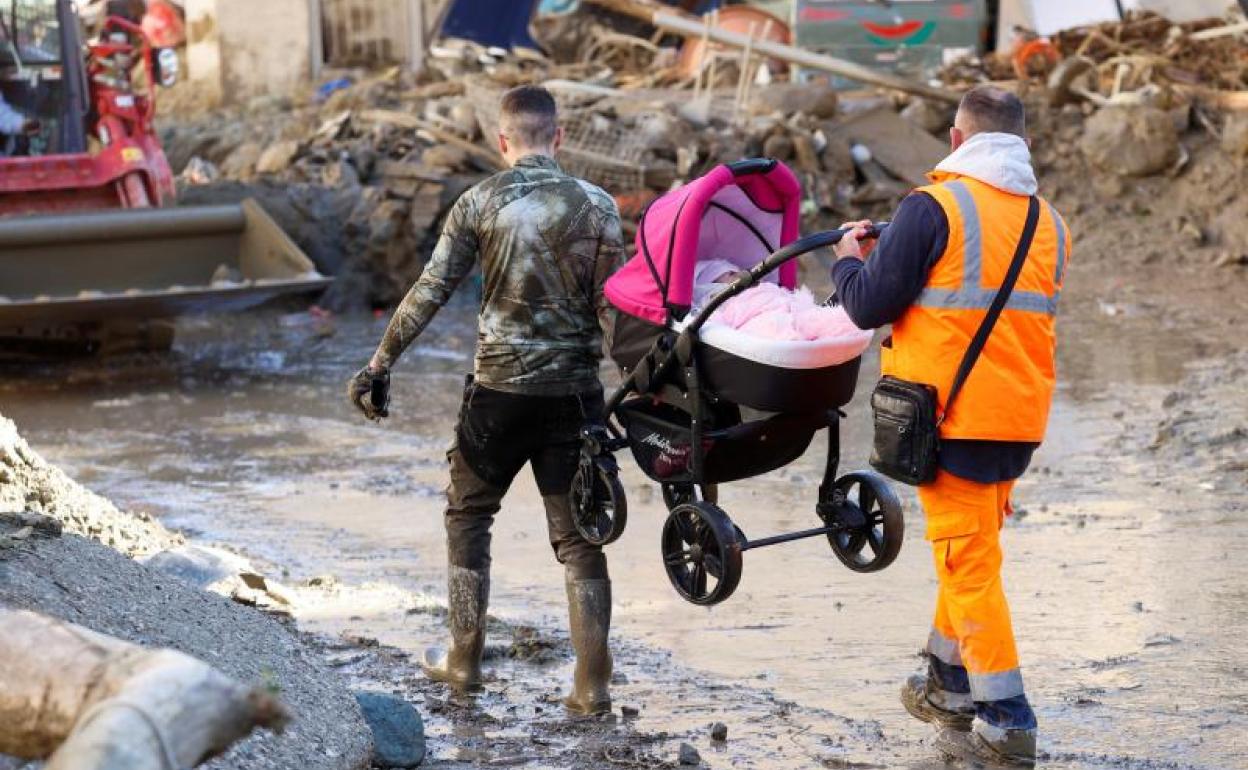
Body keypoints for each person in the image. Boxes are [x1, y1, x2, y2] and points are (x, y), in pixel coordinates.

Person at [348, 85, 626, 715]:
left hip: (497, 397)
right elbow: (617, 313)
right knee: (581, 537)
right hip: (574, 397)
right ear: (559, 136)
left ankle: (465, 662)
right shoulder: (600, 206)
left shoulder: (478, 202)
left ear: (502, 141)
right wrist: (641, 388)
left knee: (469, 518)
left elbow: (430, 290)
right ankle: (592, 684)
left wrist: (379, 362)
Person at [831, 85, 1071, 767]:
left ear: (958, 141)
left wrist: (851, 258)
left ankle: (1007, 716)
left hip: (949, 417)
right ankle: (947, 683)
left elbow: (867, 305)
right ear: (1019, 145)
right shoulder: (1049, 220)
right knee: (970, 554)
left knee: (969, 565)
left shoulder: (931, 206)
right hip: (1019, 416)